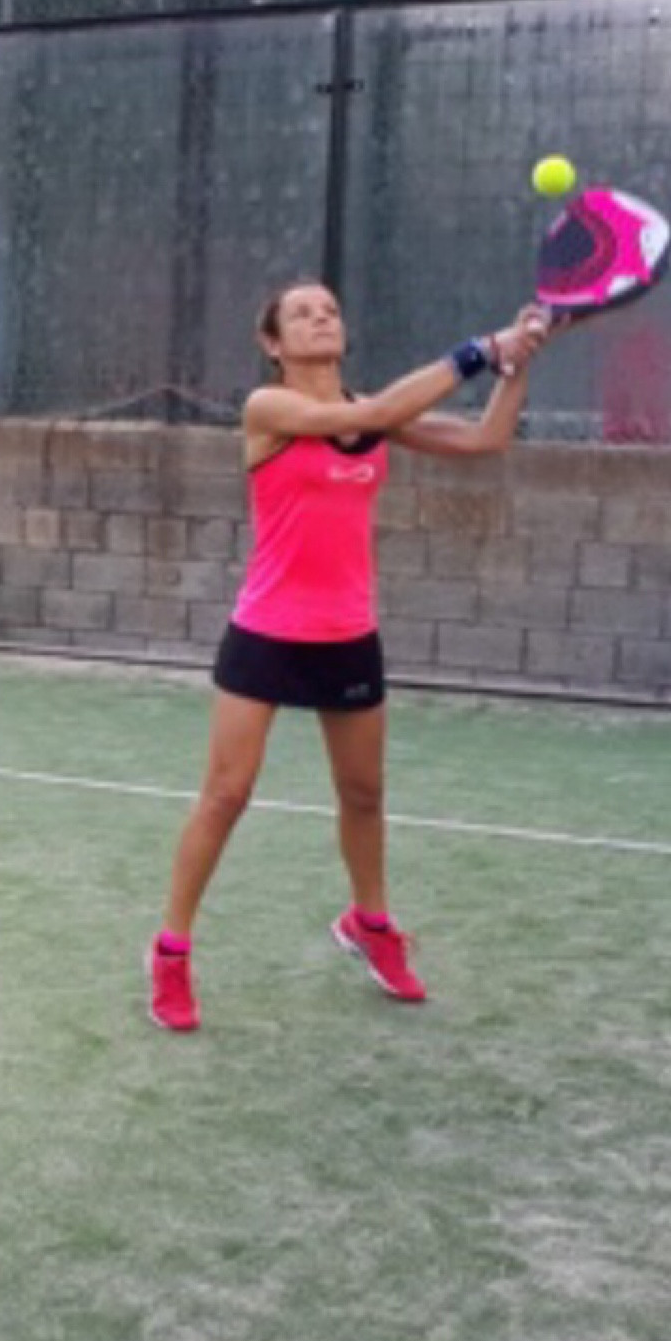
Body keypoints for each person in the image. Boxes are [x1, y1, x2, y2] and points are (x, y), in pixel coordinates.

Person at [146, 281, 553, 1031]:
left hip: (348, 634)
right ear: (273, 344)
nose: (320, 318)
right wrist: (481, 350)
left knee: (364, 795)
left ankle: (369, 925)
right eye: (301, 314)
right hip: (267, 631)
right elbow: (367, 416)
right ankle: (171, 953)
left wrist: (516, 363)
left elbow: (484, 440)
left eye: (330, 310)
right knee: (227, 795)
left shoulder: (379, 410)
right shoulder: (269, 409)